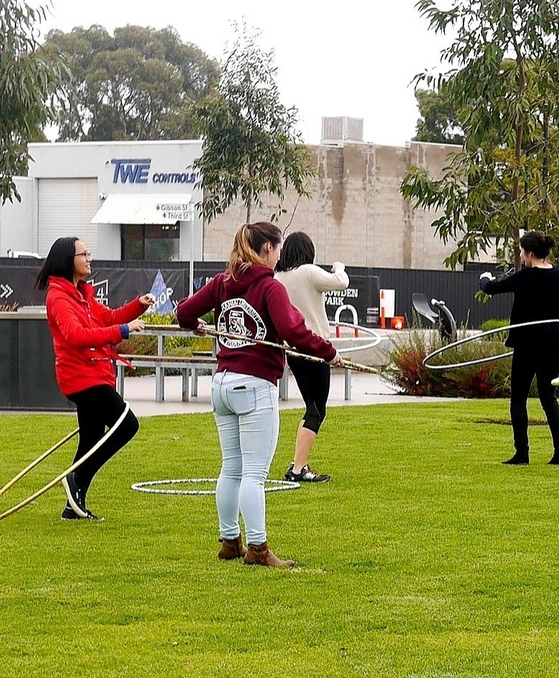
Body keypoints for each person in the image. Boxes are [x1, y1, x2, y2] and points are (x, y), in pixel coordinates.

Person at [177, 222, 342, 568]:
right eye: (278, 249)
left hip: (222, 385)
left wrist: (196, 325)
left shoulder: (224, 282)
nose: (280, 255)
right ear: (267, 249)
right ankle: (257, 549)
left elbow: (184, 312)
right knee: (253, 473)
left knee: (232, 468)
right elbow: (293, 330)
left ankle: (229, 541)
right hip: (254, 387)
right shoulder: (269, 287)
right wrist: (327, 351)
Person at [35, 236, 152, 521]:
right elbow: (76, 337)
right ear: (68, 261)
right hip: (82, 378)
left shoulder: (82, 294)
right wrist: (123, 330)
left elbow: (109, 317)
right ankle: (77, 479)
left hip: (96, 374)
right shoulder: (59, 298)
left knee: (91, 440)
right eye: (84, 254)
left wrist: (138, 305)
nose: (89, 258)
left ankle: (73, 507)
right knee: (127, 425)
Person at [478, 230, 559, 465]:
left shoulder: (526, 276)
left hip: (528, 345)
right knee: (548, 397)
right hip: (553, 344)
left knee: (519, 398)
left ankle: (522, 453)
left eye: (522, 252)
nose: (521, 256)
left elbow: (491, 288)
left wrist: (484, 278)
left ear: (530, 253)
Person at [273, 232, 351, 483]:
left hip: (294, 351)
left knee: (311, 408)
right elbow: (341, 282)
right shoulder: (308, 271)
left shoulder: (278, 277)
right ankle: (298, 469)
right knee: (317, 411)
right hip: (316, 349)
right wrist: (339, 268)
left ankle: (298, 463)